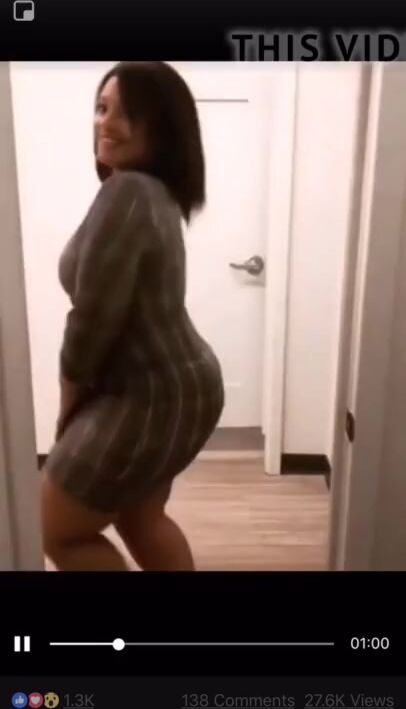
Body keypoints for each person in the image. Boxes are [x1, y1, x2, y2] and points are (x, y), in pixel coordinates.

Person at [41, 61, 224, 572]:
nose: (106, 122)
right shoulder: (150, 192)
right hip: (178, 385)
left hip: (152, 394)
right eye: (101, 108)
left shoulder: (129, 193)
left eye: (127, 113)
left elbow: (92, 321)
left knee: (55, 529)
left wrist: (68, 407)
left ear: (163, 128)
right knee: (142, 518)